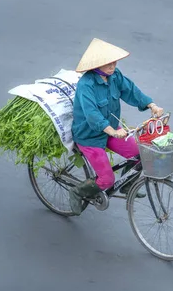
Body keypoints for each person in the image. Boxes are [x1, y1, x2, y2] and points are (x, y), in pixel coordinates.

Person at [69, 38, 164, 215]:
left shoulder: (115, 76)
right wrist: (112, 130)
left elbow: (131, 91)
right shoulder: (86, 85)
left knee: (140, 155)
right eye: (108, 63)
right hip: (89, 136)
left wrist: (151, 105)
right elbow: (92, 115)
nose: (113, 66)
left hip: (112, 132)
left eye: (114, 62)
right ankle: (76, 191)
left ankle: (127, 185)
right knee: (106, 180)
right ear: (97, 65)